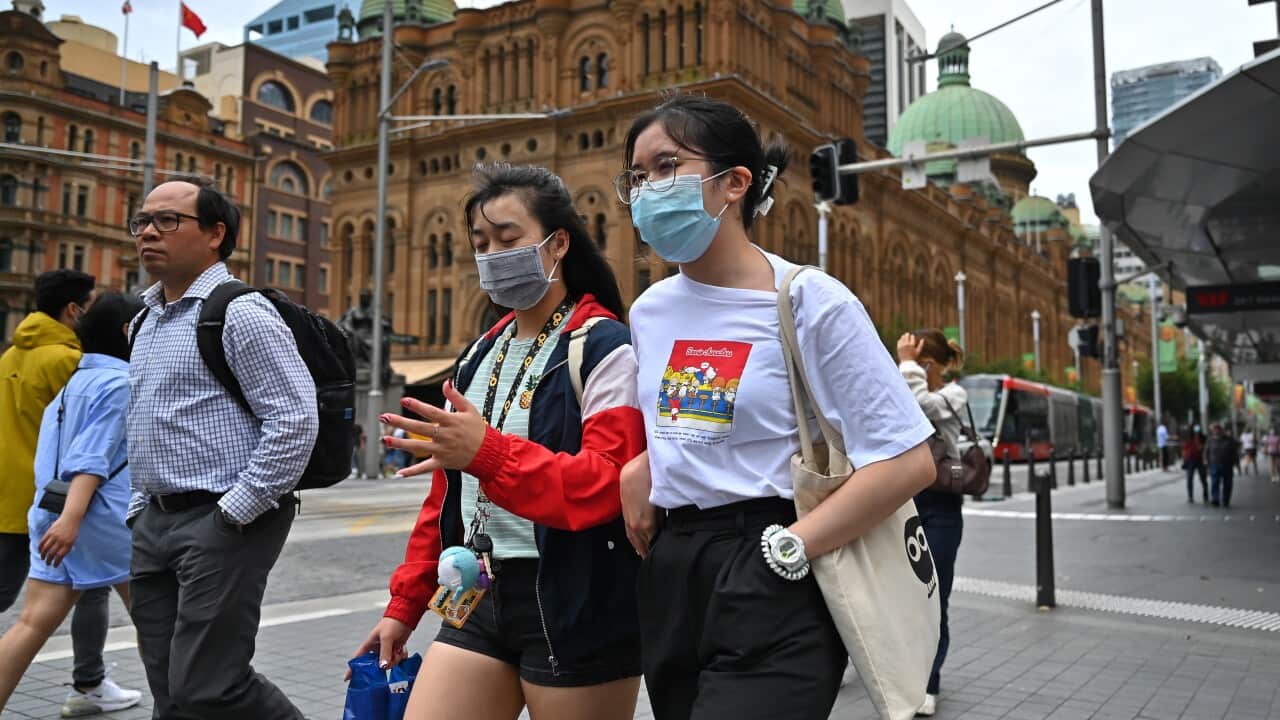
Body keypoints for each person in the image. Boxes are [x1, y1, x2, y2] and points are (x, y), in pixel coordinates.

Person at [617, 94, 936, 720]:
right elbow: (693, 425)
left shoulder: (809, 299)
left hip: (774, 561)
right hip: (674, 575)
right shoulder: (649, 311)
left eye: (666, 167)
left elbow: (908, 461)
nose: (647, 190)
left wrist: (790, 548)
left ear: (735, 182)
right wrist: (646, 465)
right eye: (637, 176)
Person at [361, 164, 646, 720]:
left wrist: (486, 453)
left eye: (508, 238)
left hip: (577, 598)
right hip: (476, 593)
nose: (492, 254)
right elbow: (445, 499)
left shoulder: (604, 346)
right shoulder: (475, 359)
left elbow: (605, 483)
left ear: (558, 242)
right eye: (480, 242)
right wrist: (405, 605)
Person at [126, 176, 319, 719]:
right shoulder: (147, 319)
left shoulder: (239, 312)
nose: (148, 232)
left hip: (220, 521)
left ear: (216, 234)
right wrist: (139, 512)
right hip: (155, 522)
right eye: (142, 221)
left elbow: (295, 419)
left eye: (168, 220)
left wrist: (234, 512)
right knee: (170, 689)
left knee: (209, 685)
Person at [0, 269, 142, 715]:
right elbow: (91, 456)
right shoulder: (120, 382)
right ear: (127, 332)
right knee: (161, 627)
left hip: (47, 510)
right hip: (97, 520)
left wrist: (60, 516)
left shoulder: (72, 382)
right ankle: (186, 707)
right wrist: (73, 518)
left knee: (29, 624)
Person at [896, 329, 968, 717]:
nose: (914, 370)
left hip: (941, 503)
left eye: (921, 364)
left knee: (934, 594)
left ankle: (930, 681)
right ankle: (904, 674)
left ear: (932, 365)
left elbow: (920, 406)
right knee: (902, 596)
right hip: (905, 500)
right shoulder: (909, 379)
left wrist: (906, 365)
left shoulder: (954, 394)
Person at [1204, 424, 1237, 508]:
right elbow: (1206, 451)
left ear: (1221, 430)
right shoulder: (1210, 440)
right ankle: (1215, 499)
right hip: (1214, 464)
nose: (1216, 431)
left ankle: (1226, 500)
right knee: (1214, 482)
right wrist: (1205, 461)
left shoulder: (1229, 440)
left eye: (1218, 429)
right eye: (1214, 430)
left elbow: (1234, 451)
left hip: (1227, 464)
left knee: (1227, 483)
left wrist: (1234, 461)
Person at [1182, 429, 1207, 503]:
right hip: (1191, 460)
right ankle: (1190, 496)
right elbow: (1184, 450)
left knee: (1203, 478)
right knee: (1190, 478)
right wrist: (1185, 460)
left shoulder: (1201, 438)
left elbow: (1203, 448)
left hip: (1199, 460)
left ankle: (1206, 495)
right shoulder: (1188, 439)